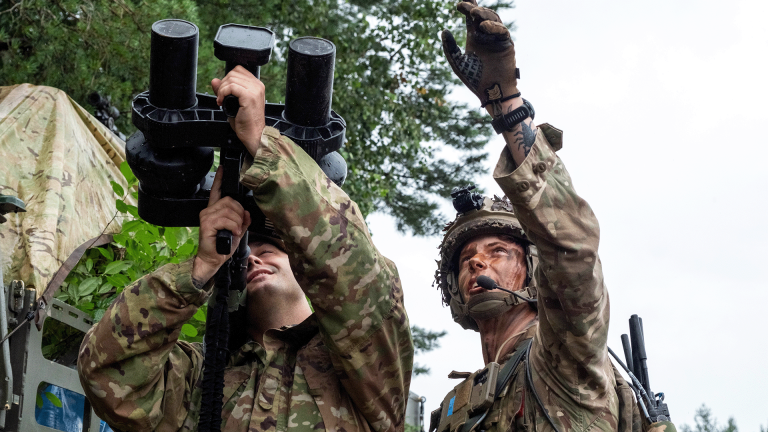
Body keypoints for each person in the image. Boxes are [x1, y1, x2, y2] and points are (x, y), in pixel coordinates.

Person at [78, 67, 413, 431]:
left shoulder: (367, 376)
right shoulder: (202, 383)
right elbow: (107, 372)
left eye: (269, 249)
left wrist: (261, 143)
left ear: (305, 267)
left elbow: (360, 277)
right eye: (244, 252)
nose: (252, 255)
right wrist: (201, 268)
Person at [430, 2, 677, 432]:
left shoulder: (565, 355)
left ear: (530, 270)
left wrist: (506, 105)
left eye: (498, 251)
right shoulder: (458, 407)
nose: (476, 262)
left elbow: (572, 251)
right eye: (467, 256)